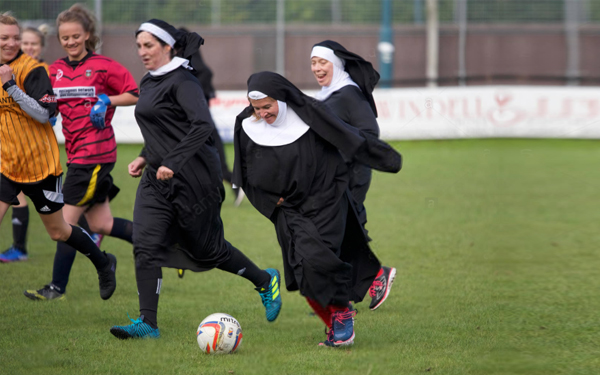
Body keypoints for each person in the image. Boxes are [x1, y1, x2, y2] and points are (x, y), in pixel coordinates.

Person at [109, 20, 282, 339]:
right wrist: (146, 156)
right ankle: (148, 323)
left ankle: (264, 280)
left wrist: (173, 162)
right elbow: (163, 128)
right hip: (156, 181)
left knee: (209, 251)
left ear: (166, 46)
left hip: (195, 181)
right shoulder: (148, 82)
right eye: (138, 46)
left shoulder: (183, 82)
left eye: (148, 45)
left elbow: (201, 126)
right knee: (145, 244)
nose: (142, 52)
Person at [232, 71, 402, 346]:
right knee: (302, 276)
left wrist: (386, 158)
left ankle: (342, 313)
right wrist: (270, 202)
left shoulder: (311, 114)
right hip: (287, 209)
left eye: (268, 106)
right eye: (257, 108)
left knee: (316, 261)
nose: (263, 114)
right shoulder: (246, 124)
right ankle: (335, 326)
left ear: (282, 99)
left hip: (325, 200)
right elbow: (245, 172)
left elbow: (349, 137)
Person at [24, 4, 137, 301]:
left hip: (95, 157)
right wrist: (49, 113)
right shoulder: (54, 70)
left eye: (76, 36)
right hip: (75, 155)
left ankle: (58, 287)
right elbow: (48, 102)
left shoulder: (104, 65)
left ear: (88, 35)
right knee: (101, 224)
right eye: (65, 38)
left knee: (64, 225)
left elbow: (135, 93)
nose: (71, 42)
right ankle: (161, 243)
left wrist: (107, 100)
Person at [0, 12, 117, 300]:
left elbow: (44, 114)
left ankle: (103, 263)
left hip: (40, 166)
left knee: (59, 231)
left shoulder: (32, 70)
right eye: (5, 38)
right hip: (6, 164)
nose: (12, 43)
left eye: (15, 37)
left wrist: (10, 86)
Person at [311, 40, 397, 311]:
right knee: (345, 231)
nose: (316, 68)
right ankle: (353, 287)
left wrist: (343, 156)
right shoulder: (327, 95)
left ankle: (364, 281)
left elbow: (370, 132)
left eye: (322, 62)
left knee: (338, 231)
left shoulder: (348, 93)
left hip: (353, 173)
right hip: (333, 176)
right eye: (313, 63)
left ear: (335, 64)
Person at [0, 25, 49, 263]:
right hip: (10, 154)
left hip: (39, 154)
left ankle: (92, 241)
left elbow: (46, 113)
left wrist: (12, 88)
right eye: (25, 43)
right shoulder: (6, 68)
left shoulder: (40, 71)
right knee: (15, 196)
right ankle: (19, 248)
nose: (27, 47)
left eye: (33, 44)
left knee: (60, 225)